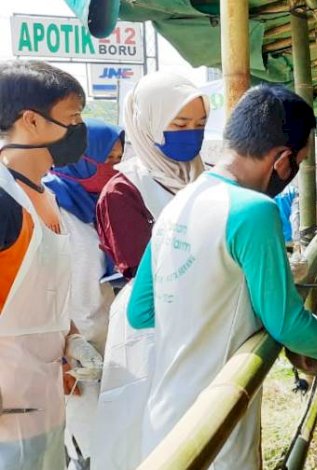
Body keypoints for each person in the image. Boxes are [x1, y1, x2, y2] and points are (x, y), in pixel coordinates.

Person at [124, 84, 317, 469]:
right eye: (300, 161)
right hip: (215, 419)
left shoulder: (182, 200)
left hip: (162, 416)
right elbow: (287, 323)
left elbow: (140, 311)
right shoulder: (254, 211)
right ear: (282, 160)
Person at [0, 60, 102, 470]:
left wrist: (72, 338)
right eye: (72, 118)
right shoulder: (4, 202)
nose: (79, 130)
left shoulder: (47, 196)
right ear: (31, 121)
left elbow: (47, 292)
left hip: (43, 398)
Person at [41, 119, 124, 466]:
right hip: (73, 347)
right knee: (85, 443)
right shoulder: (49, 205)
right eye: (109, 161)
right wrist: (65, 347)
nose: (115, 170)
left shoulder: (103, 203)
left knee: (114, 436)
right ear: (83, 158)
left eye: (119, 160)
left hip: (110, 338)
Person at [96, 71, 208, 281]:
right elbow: (142, 275)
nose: (192, 133)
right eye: (180, 125)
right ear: (147, 124)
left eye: (200, 124)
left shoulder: (208, 177)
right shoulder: (124, 191)